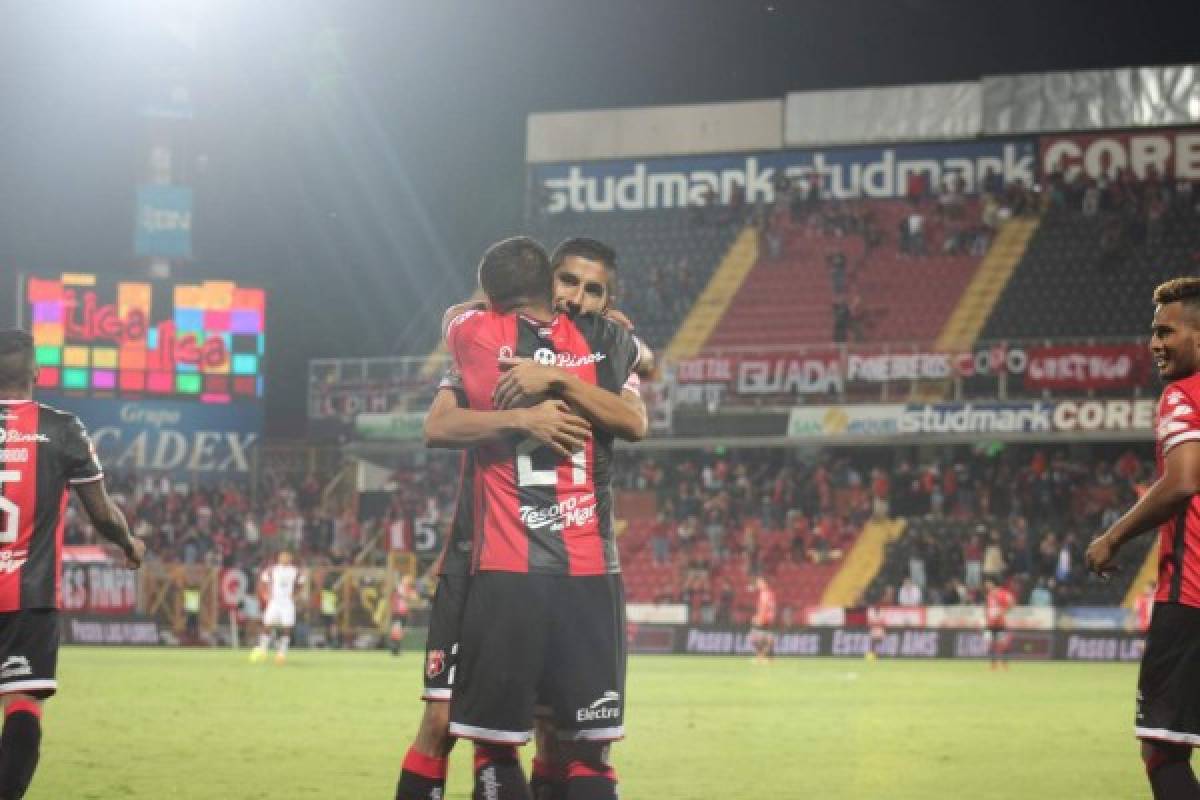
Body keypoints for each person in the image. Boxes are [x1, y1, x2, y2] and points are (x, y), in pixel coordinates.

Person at [395, 238, 649, 800]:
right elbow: (438, 425)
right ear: (546, 283)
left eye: (594, 290)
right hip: (485, 558)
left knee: (549, 739)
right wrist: (523, 415)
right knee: (456, 728)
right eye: (568, 283)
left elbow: (634, 419)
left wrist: (558, 381)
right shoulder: (610, 343)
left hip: (534, 569)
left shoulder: (487, 336)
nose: (579, 298)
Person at [0, 329, 145, 799]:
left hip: (30, 598)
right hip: (28, 596)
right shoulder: (62, 428)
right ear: (36, 374)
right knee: (22, 705)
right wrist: (128, 543)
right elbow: (101, 513)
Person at [1086, 276, 1200, 800]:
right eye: (1153, 332)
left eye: (1166, 331)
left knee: (1162, 751)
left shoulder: (1182, 394)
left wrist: (1112, 537)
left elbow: (1181, 483)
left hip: (1191, 598)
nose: (1154, 343)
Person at [250, 550, 303, 665]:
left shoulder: (295, 571)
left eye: (287, 556)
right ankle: (263, 649)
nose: (284, 558)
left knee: (287, 627)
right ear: (279, 558)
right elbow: (262, 582)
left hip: (287, 603)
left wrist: (295, 595)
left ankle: (281, 653)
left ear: (290, 558)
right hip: (274, 602)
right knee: (267, 624)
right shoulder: (272, 570)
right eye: (282, 556)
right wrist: (264, 594)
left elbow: (300, 584)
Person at [984, 577, 1015, 670]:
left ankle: (1005, 664)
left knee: (1002, 645)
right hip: (990, 625)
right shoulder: (989, 595)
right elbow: (988, 609)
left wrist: (1003, 612)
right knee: (991, 644)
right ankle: (993, 665)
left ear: (993, 584)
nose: (986, 586)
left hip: (1000, 624)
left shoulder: (1002, 593)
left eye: (988, 584)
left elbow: (1011, 603)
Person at [749, 576, 777, 664]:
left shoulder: (765, 594)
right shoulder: (769, 593)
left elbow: (764, 608)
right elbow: (771, 607)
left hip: (764, 618)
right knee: (767, 637)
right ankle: (770, 659)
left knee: (754, 638)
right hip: (768, 618)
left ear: (764, 583)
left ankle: (760, 658)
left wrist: (759, 618)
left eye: (759, 582)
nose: (758, 584)